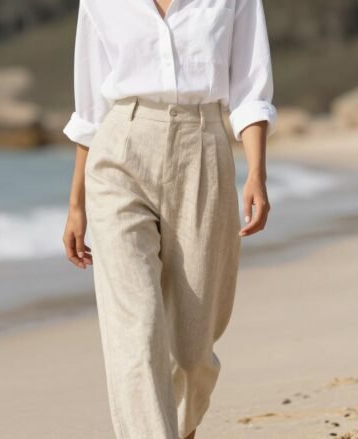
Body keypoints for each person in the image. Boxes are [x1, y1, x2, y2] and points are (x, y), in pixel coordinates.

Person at [62, 0, 276, 437]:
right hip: (120, 151)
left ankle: (179, 429)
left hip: (202, 147)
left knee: (192, 352)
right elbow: (90, 111)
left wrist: (256, 173)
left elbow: (251, 90)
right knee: (136, 333)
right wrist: (76, 203)